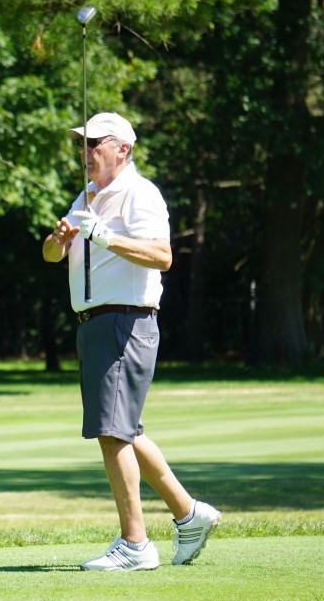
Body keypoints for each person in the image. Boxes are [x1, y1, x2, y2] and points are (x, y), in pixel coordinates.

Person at [42, 112, 220, 571]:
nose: (85, 151)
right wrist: (60, 239)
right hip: (94, 323)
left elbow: (162, 255)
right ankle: (189, 514)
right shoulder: (87, 196)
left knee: (112, 432)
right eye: (81, 144)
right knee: (125, 429)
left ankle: (136, 544)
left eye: (94, 142)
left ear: (122, 148)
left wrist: (103, 236)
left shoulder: (140, 193)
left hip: (125, 320)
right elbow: (50, 255)